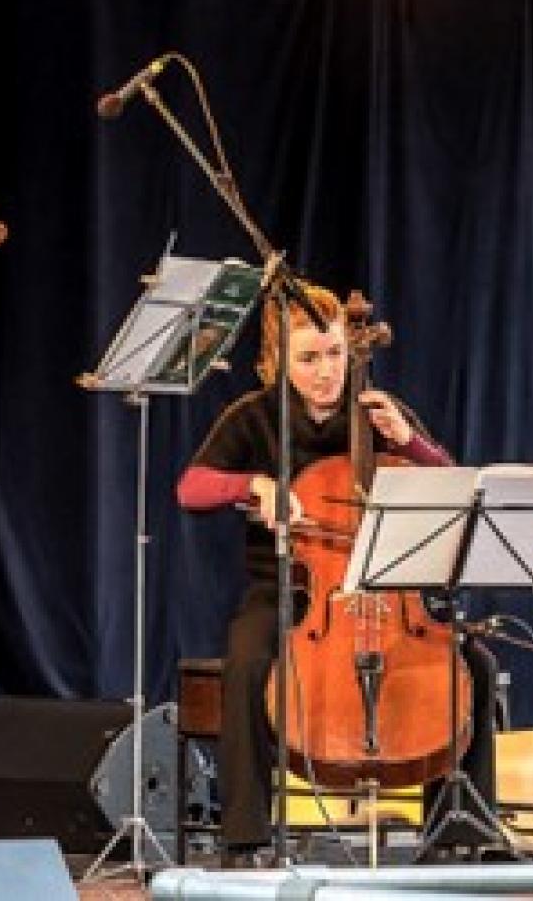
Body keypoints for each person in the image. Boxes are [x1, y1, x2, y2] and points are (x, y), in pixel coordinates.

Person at [176, 283, 498, 865]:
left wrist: (410, 443)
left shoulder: (378, 411)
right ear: (276, 359)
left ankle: (460, 836)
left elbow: (451, 485)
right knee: (248, 658)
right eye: (309, 358)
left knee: (474, 665)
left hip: (389, 586)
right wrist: (254, 484)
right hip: (293, 592)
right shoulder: (253, 416)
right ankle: (244, 838)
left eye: (335, 354)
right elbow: (191, 488)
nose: (326, 372)